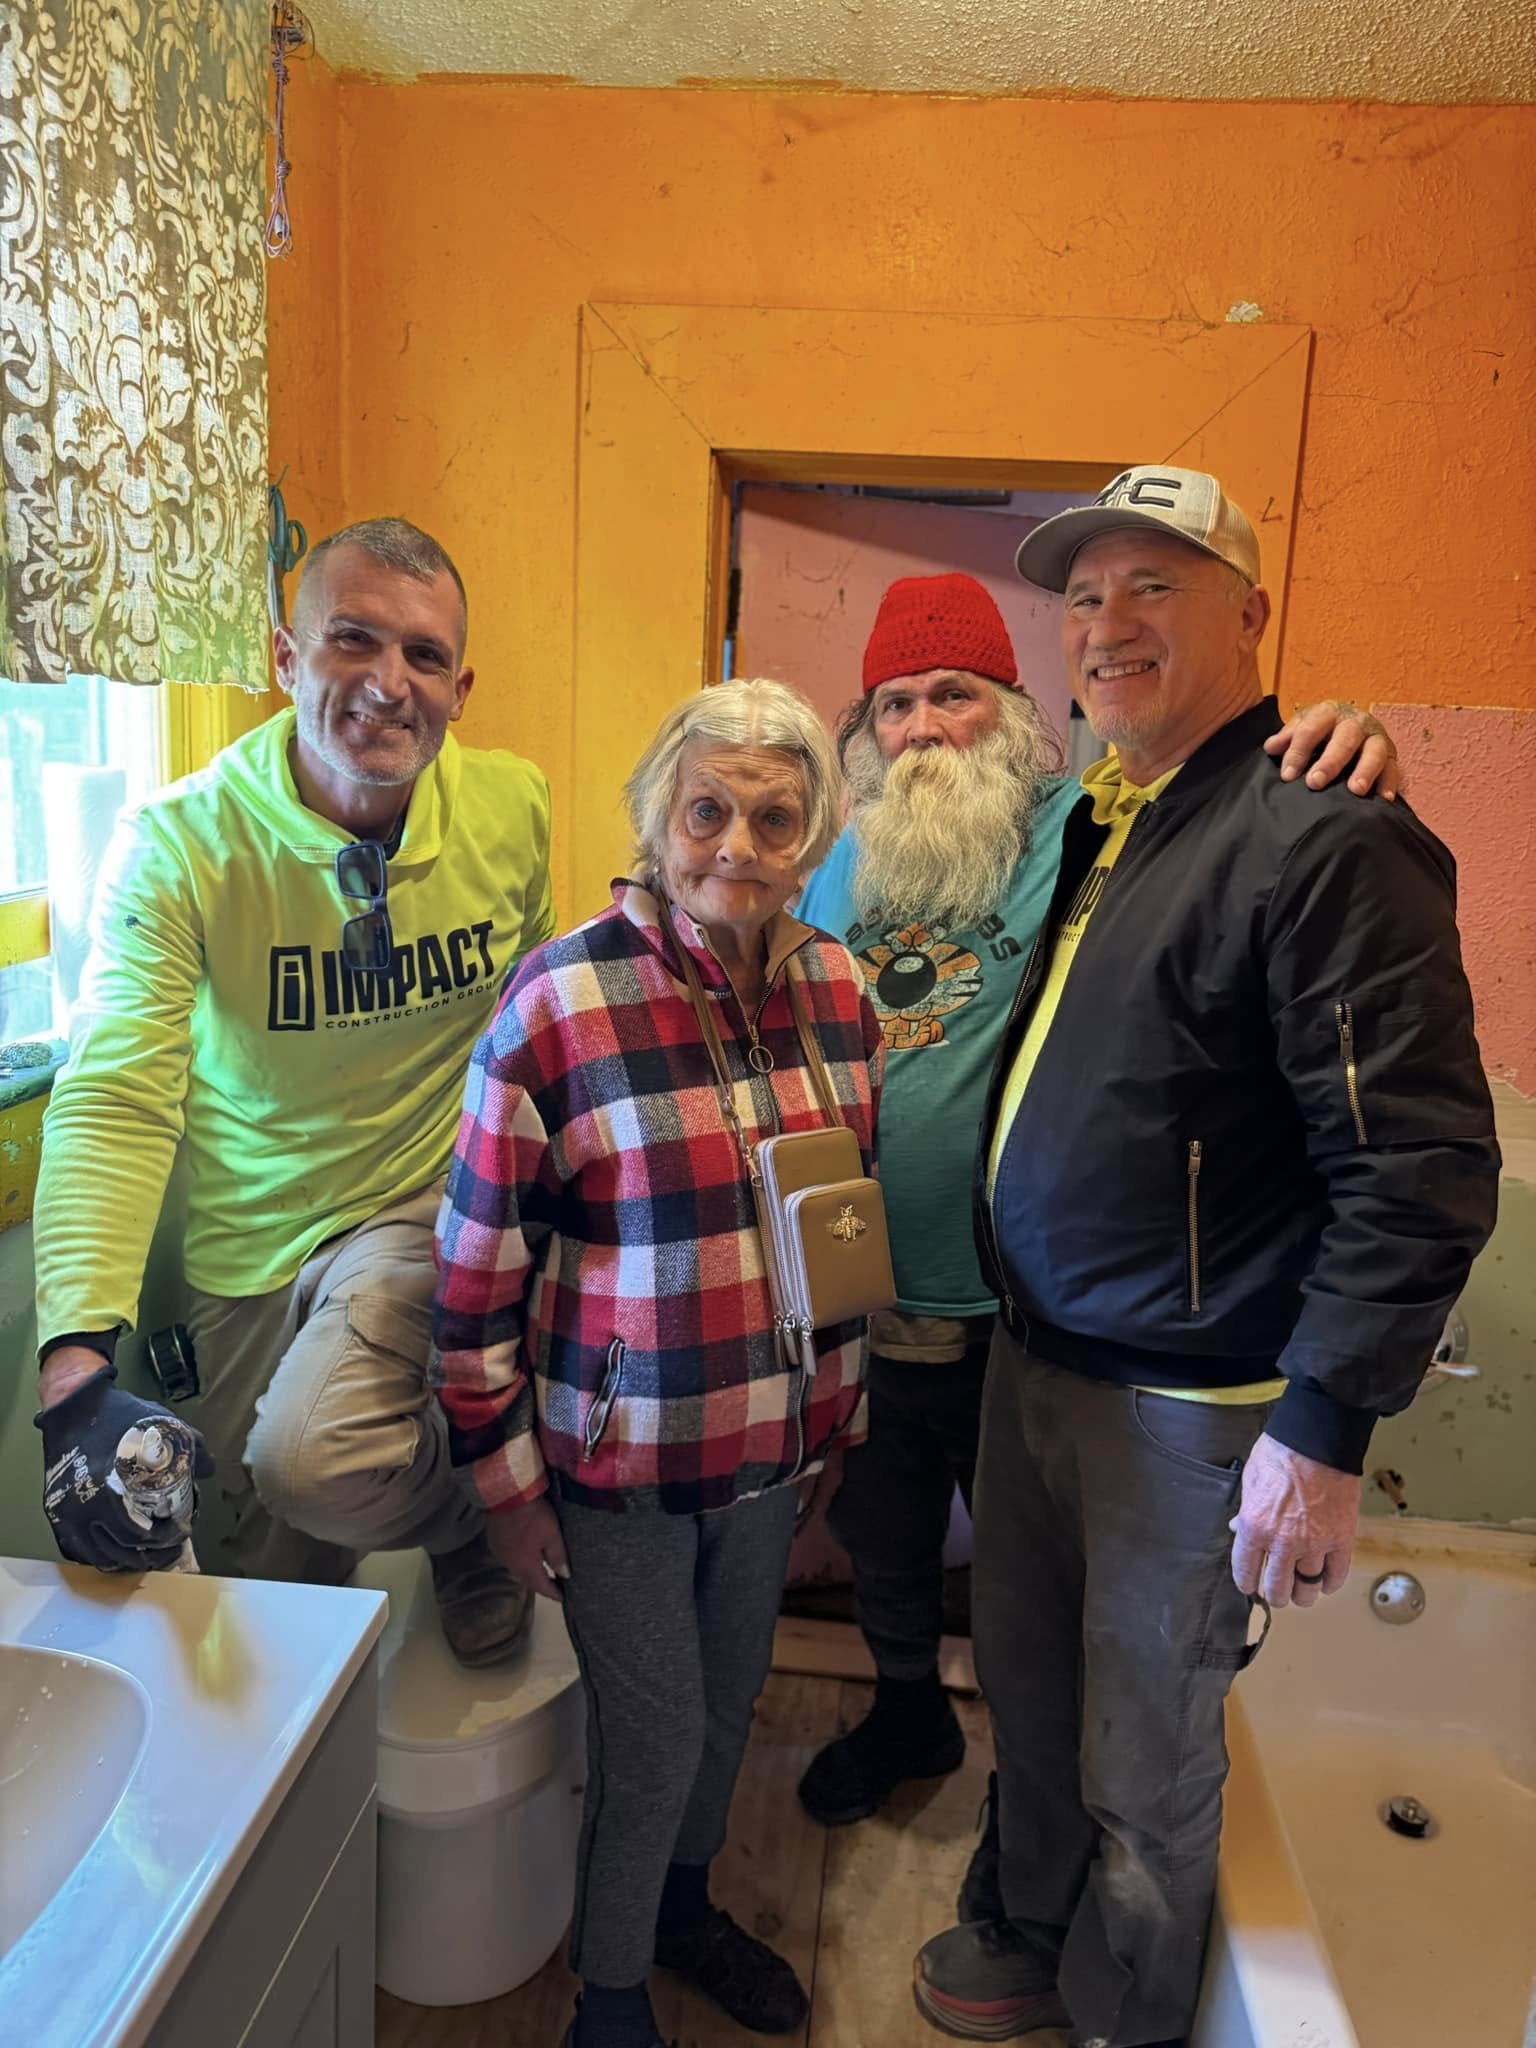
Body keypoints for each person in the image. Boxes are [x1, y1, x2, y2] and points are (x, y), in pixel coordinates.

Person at [912, 468, 1500, 2048]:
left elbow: (1422, 1167)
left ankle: (1123, 2011)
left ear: (1253, 615)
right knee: (1031, 1691)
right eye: (1085, 595)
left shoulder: (1327, 835)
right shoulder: (1108, 816)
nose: (1109, 624)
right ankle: (1028, 1927)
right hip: (1039, 1358)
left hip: (1184, 1407)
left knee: (1146, 1756)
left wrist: (1324, 1431)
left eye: (1156, 586)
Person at [794, 570, 1401, 1830]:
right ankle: (905, 1708)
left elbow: (1234, 798)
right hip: (861, 1297)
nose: (921, 728)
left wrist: (1349, 734)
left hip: (1024, 1317)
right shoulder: (845, 855)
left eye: (953, 694)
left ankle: (1031, 1793)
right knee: (882, 1537)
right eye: (894, 703)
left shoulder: (1094, 829)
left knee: (1037, 1590)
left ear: (1015, 712)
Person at [433, 679, 884, 2048]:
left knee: (733, 1698)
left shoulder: (842, 993)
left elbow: (846, 1225)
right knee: (657, 1737)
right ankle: (613, 1992)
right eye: (706, 811)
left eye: (774, 818)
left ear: (813, 841)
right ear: (655, 819)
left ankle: (683, 1909)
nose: (737, 845)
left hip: (771, 1453)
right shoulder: (559, 1000)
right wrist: (506, 1490)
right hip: (615, 1463)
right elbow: (476, 1273)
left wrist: (838, 1424)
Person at [33, 517, 553, 1668]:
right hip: (249, 1242)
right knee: (265, 1594)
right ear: (283, 655)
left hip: (420, 1202)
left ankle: (471, 1515)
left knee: (312, 1461)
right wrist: (73, 1362)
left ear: (460, 690)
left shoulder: (513, 806)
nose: (388, 682)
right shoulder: (178, 843)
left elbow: (531, 1025)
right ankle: (443, 1505)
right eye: (351, 638)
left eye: (424, 655)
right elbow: (116, 1093)